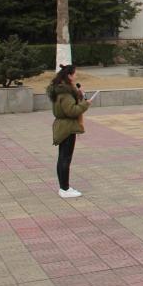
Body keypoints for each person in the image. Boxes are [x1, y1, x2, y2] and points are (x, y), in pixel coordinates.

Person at [47, 65, 92, 198]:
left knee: (63, 157)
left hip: (63, 126)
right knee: (65, 158)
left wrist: (80, 95)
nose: (76, 76)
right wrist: (86, 104)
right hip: (67, 127)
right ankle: (64, 189)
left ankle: (64, 187)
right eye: (74, 74)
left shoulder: (62, 90)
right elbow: (71, 111)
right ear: (69, 76)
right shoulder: (65, 93)